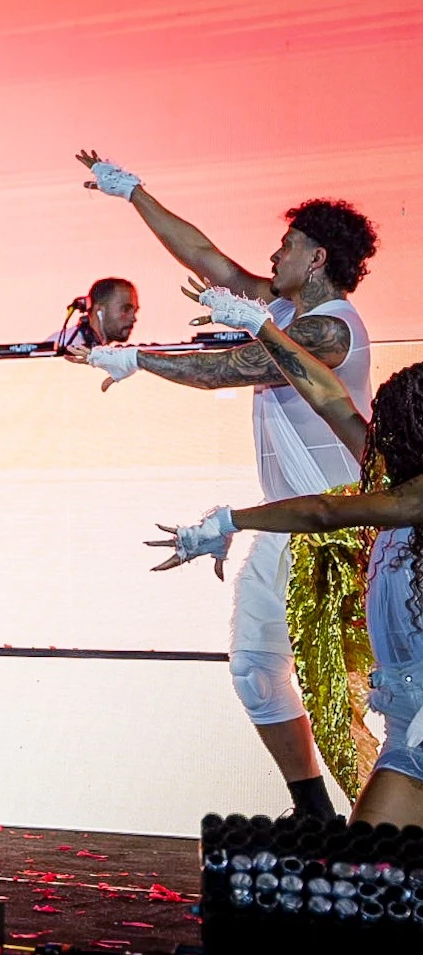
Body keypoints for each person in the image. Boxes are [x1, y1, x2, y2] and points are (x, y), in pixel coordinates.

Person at [69, 149, 377, 819]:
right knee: (255, 669)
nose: (273, 254)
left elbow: (225, 369)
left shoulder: (328, 331)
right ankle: (314, 811)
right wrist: (133, 192)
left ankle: (387, 830)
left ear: (318, 259)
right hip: (281, 524)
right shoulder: (285, 312)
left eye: (288, 244)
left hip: (337, 533)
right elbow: (205, 256)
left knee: (340, 697)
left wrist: (138, 358)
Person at [154, 285, 423, 826]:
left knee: (373, 880)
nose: (379, 439)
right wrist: (262, 328)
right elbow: (329, 399)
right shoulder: (387, 474)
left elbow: (324, 511)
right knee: (368, 877)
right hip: (409, 728)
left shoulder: (410, 498)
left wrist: (233, 520)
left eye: (390, 428)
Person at [49, 278, 140, 350]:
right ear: (99, 311)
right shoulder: (65, 344)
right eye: (126, 309)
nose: (133, 318)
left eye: (135, 311)